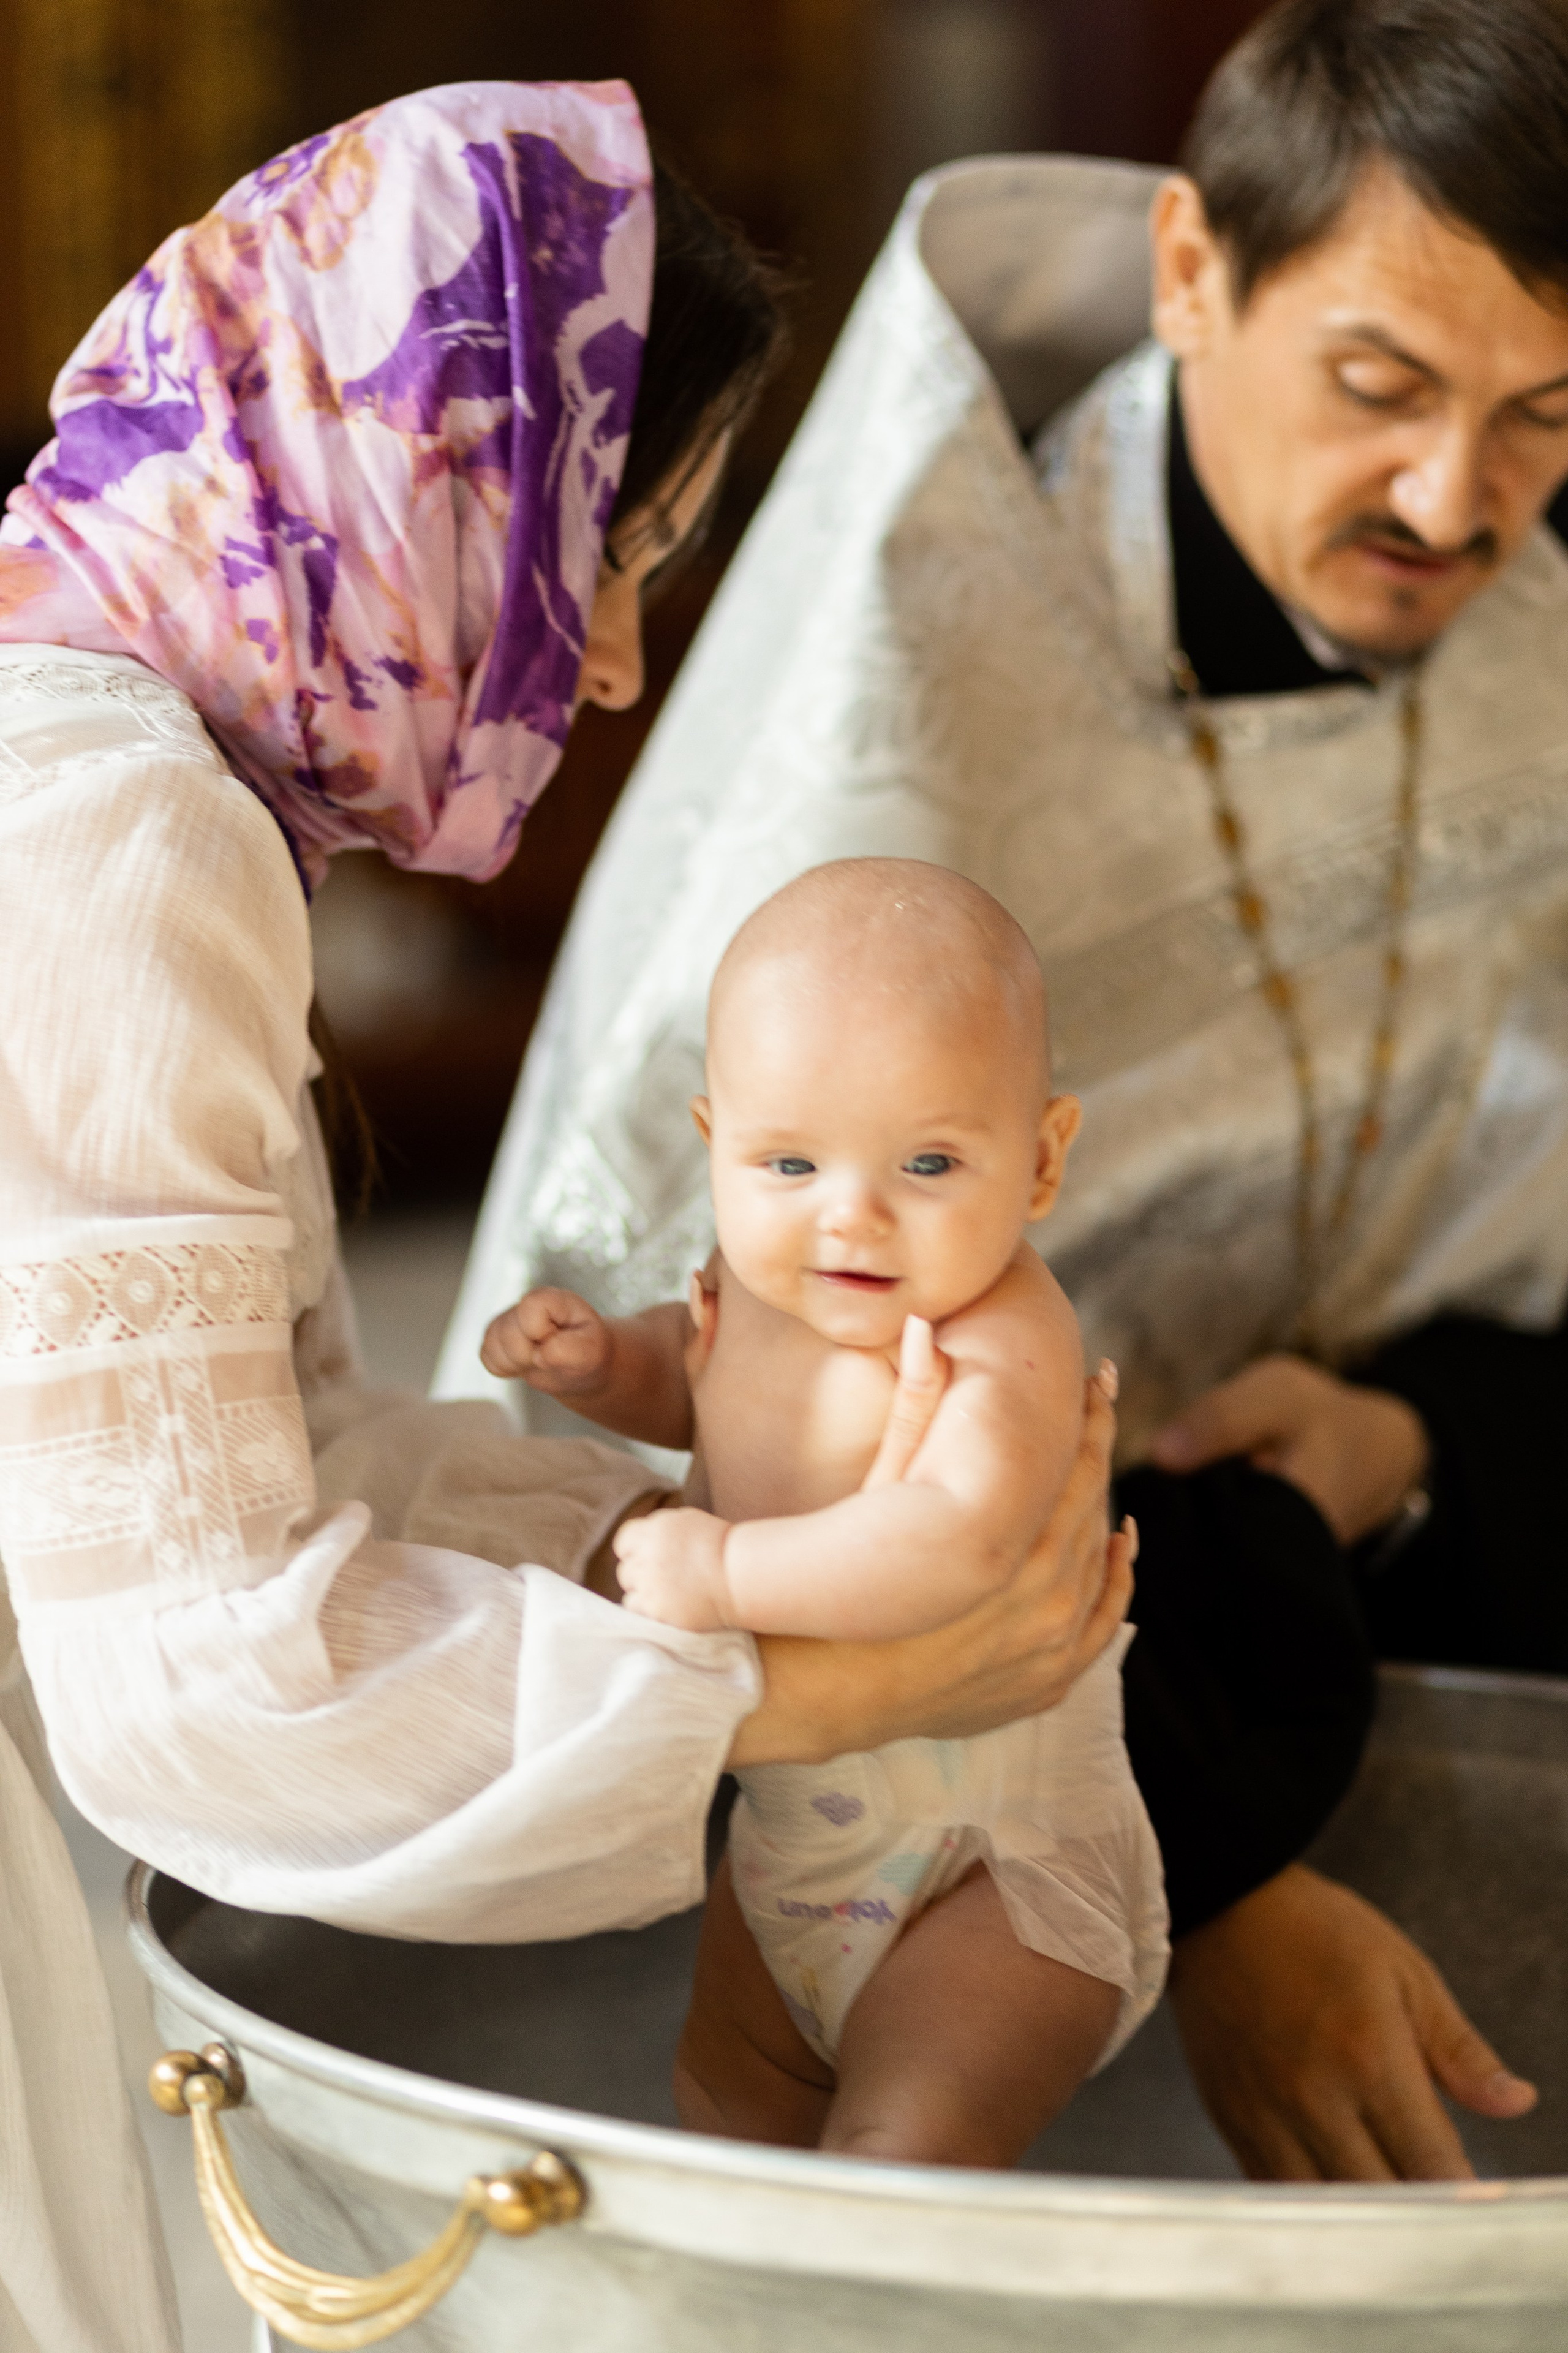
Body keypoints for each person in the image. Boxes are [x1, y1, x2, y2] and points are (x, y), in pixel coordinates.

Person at [0, 79, 1135, 2352]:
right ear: (427, 467)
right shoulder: (122, 834)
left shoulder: (107, 757)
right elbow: (198, 1673)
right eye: (610, 552)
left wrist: (666, 1522)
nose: (611, 660)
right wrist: (793, 1681)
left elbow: (226, 1464)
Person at [441, 0, 1568, 2184]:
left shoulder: (1537, 643)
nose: (1460, 503)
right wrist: (1211, 1864)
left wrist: (1415, 1429)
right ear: (1189, 272)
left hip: (1343, 1561)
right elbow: (692, 1422)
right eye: (1379, 387)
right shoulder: (902, 709)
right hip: (920, 1724)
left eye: (1546, 417)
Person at [482, 858, 1167, 2166]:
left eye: (927, 1162)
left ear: (1038, 1161)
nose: (849, 1216)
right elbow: (704, 1390)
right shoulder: (756, 1286)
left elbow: (957, 1534)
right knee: (729, 2111)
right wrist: (607, 1365)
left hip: (993, 1870)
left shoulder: (1000, 1330)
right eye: (788, 1161)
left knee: (900, 2151)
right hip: (790, 1859)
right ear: (713, 1142)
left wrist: (729, 1574)